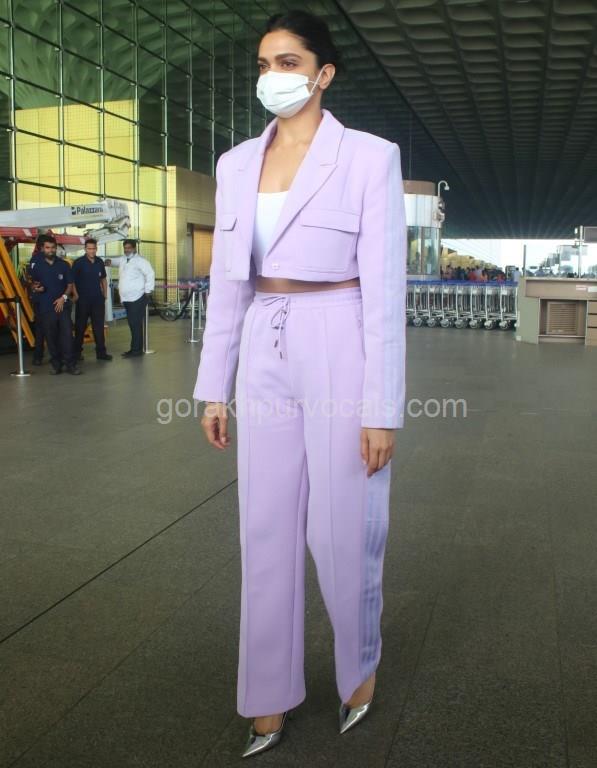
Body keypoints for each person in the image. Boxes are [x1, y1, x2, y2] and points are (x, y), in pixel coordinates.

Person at [192, 10, 407, 759]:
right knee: (265, 524)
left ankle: (358, 670)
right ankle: (267, 694)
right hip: (265, 336)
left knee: (341, 526)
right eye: (263, 63)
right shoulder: (234, 164)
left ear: (323, 74)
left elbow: (384, 292)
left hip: (339, 332)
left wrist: (381, 409)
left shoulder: (368, 157)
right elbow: (227, 284)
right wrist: (213, 387)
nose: (272, 76)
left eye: (288, 62)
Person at [28, 234, 81, 375]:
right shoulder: (37, 265)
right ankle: (56, 365)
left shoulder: (63, 265)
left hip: (63, 307)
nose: (50, 250)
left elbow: (69, 284)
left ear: (56, 248)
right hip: (46, 307)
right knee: (50, 338)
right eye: (47, 247)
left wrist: (63, 297)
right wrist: (36, 288)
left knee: (67, 336)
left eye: (53, 248)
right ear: (42, 248)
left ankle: (71, 365)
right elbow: (33, 283)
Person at [105, 239, 155, 357]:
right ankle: (134, 349)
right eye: (125, 248)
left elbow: (150, 273)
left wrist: (148, 291)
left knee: (135, 324)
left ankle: (136, 351)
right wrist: (108, 261)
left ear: (134, 248)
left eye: (129, 248)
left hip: (137, 297)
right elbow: (114, 261)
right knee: (133, 324)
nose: (126, 250)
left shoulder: (141, 261)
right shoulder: (123, 259)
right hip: (127, 298)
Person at [71, 238, 112, 362]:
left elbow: (103, 279)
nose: (92, 251)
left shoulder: (99, 262)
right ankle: (76, 353)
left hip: (97, 300)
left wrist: (105, 295)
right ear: (85, 249)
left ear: (96, 249)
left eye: (94, 248)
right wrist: (76, 295)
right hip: (83, 300)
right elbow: (71, 281)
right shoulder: (78, 262)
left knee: (98, 328)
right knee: (80, 327)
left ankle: (101, 353)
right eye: (89, 248)